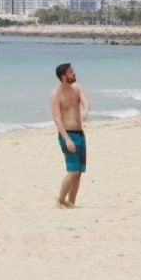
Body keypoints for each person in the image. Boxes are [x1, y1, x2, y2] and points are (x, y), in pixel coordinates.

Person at [51, 63, 90, 208]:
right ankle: (61, 199)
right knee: (73, 171)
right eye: (71, 72)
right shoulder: (56, 95)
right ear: (63, 76)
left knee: (79, 172)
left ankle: (71, 202)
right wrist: (67, 139)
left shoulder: (77, 88)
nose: (74, 73)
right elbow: (57, 119)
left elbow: (85, 101)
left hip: (80, 134)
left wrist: (85, 110)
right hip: (67, 135)